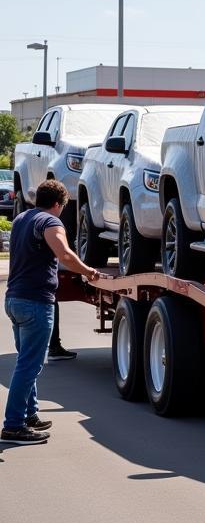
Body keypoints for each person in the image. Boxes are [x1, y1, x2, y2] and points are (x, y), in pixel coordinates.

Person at [2, 179, 103, 445]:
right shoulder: (50, 222)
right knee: (29, 366)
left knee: (26, 361)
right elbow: (65, 255)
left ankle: (29, 415)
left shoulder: (23, 218)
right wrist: (89, 272)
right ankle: (13, 426)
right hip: (35, 302)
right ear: (58, 204)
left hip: (14, 298)